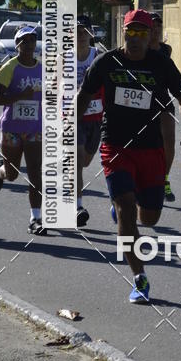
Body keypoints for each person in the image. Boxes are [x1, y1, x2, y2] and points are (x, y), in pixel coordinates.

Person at [76, 9, 181, 304]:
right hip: (115, 145)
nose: (136, 39)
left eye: (142, 33)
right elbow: (84, 95)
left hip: (150, 148)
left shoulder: (160, 64)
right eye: (131, 32)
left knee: (150, 217)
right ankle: (139, 278)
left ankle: (124, 201)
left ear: (149, 37)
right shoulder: (107, 62)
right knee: (128, 213)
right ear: (123, 33)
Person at [0, 25, 46, 235]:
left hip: (34, 129)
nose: (29, 44)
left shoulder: (42, 69)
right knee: (12, 175)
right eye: (24, 41)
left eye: (32, 40)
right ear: (17, 45)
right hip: (12, 128)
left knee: (35, 173)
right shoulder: (10, 67)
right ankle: (0, 171)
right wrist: (21, 95)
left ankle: (36, 218)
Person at [75, 15, 104, 227]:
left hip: (95, 118)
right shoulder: (63, 58)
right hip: (72, 117)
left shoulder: (99, 57)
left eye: (85, 32)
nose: (81, 36)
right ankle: (77, 206)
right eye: (76, 32)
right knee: (77, 163)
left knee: (84, 161)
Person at [149, 12, 175, 202]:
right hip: (141, 105)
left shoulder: (166, 50)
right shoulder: (138, 50)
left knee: (169, 144)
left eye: (159, 26)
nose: (156, 30)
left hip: (163, 101)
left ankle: (164, 180)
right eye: (152, 27)